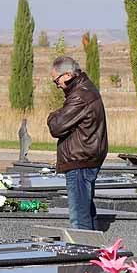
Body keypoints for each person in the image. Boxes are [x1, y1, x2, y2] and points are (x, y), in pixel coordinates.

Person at [47, 55, 108, 231]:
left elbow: (56, 127)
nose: (57, 85)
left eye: (56, 80)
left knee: (79, 219)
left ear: (67, 75)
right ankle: (95, 254)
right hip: (84, 158)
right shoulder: (83, 90)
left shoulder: (80, 95)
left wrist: (52, 116)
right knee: (86, 212)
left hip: (80, 161)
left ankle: (83, 254)